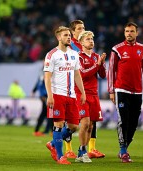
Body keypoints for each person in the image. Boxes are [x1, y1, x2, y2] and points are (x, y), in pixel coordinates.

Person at [107, 22, 143, 163]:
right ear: (124, 33)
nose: (129, 34)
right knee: (123, 121)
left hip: (137, 91)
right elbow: (111, 70)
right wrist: (111, 91)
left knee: (133, 122)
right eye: (127, 31)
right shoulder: (117, 49)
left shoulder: (142, 49)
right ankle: (123, 149)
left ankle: (124, 147)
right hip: (121, 89)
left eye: (132, 31)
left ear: (137, 33)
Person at [44, 26, 86, 164]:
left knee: (74, 126)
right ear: (58, 37)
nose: (69, 37)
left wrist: (83, 92)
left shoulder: (74, 54)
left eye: (69, 35)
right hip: (57, 95)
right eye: (66, 35)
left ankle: (52, 143)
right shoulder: (52, 55)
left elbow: (77, 74)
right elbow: (47, 76)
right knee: (59, 124)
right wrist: (50, 95)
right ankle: (60, 156)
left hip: (72, 95)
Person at [75, 31, 106, 160]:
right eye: (88, 39)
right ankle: (82, 151)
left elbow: (103, 75)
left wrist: (102, 65)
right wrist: (97, 65)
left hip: (94, 94)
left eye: (92, 39)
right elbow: (82, 74)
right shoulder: (78, 57)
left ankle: (83, 151)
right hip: (82, 94)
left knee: (91, 126)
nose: (91, 41)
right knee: (85, 123)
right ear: (81, 42)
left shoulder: (95, 56)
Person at [61, 19, 85, 159]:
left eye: (83, 28)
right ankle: (68, 148)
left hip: (82, 86)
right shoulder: (70, 46)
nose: (82, 30)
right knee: (69, 120)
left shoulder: (86, 44)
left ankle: (88, 148)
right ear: (73, 31)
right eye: (79, 28)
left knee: (86, 121)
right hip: (69, 87)